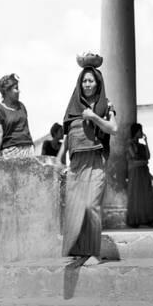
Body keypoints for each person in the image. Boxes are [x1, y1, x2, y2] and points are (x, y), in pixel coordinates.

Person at [56, 65, 117, 264]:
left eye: (91, 80)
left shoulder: (106, 105)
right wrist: (59, 160)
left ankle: (93, 252)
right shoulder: (73, 106)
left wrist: (94, 117)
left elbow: (113, 128)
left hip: (96, 161)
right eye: (84, 81)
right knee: (75, 207)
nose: (87, 84)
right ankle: (79, 250)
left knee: (91, 205)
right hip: (76, 164)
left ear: (98, 83)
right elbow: (68, 136)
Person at [0, 73, 34, 158]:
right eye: (16, 89)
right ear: (7, 91)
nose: (19, 91)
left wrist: (32, 145)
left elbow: (27, 128)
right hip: (10, 151)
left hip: (28, 148)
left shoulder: (21, 106)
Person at [126, 123, 153, 227]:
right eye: (139, 131)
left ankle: (146, 219)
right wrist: (143, 162)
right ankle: (135, 220)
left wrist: (146, 141)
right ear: (135, 132)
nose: (141, 133)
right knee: (136, 195)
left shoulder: (142, 145)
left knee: (145, 194)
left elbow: (148, 156)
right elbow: (134, 156)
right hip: (135, 173)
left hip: (143, 171)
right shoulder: (130, 144)